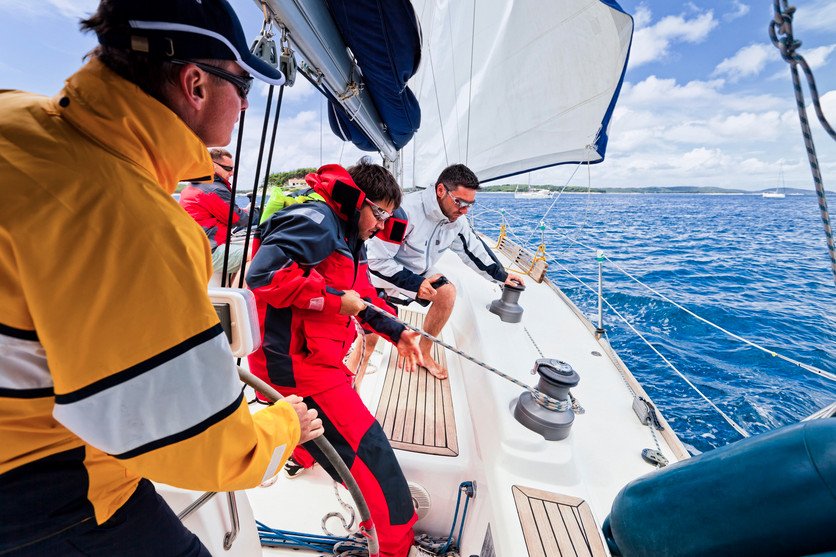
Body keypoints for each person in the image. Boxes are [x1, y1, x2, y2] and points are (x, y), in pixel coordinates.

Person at [0, 1, 324, 555]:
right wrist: (282, 426)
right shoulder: (130, 219)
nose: (247, 103)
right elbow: (200, 446)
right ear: (195, 84)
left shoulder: (16, 119)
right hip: (44, 491)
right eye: (242, 84)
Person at [247, 161, 424, 557]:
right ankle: (393, 544)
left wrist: (397, 332)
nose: (381, 225)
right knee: (370, 450)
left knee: (323, 433)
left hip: (315, 360)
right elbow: (265, 275)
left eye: (387, 217)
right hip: (295, 367)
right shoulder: (316, 220)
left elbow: (361, 295)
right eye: (379, 213)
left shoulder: (348, 233)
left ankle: (300, 454)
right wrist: (334, 300)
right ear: (357, 200)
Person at [367, 163, 526, 379]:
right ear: (441, 191)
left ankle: (424, 352)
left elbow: (473, 250)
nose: (464, 211)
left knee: (447, 292)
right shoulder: (405, 212)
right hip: (383, 275)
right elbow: (376, 261)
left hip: (418, 272)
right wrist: (415, 284)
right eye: (460, 202)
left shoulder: (456, 220)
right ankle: (364, 356)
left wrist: (502, 275)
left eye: (470, 205)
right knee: (369, 336)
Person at [180, 148, 259, 278]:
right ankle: (239, 298)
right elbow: (240, 220)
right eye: (228, 169)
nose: (232, 173)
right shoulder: (214, 189)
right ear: (213, 166)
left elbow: (225, 213)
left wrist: (245, 212)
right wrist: (257, 213)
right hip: (207, 252)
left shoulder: (195, 186)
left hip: (195, 248)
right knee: (256, 256)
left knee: (250, 246)